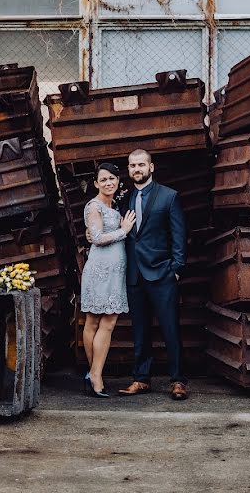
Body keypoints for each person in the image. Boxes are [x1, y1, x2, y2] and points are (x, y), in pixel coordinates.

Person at [117, 149, 189, 400]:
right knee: (140, 329)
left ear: (151, 167)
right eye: (132, 165)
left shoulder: (169, 197)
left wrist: (176, 269)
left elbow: (178, 236)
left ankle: (178, 380)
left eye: (141, 164)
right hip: (135, 275)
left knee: (170, 328)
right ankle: (141, 379)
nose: (136, 169)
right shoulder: (123, 199)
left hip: (162, 273)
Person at [80, 163, 136, 398]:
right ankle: (95, 374)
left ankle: (94, 372)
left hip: (114, 272)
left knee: (101, 321)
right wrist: (123, 230)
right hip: (100, 270)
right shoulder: (94, 206)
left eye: (112, 178)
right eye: (103, 180)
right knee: (97, 321)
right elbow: (98, 238)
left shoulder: (112, 205)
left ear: (117, 180)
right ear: (96, 184)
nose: (108, 183)